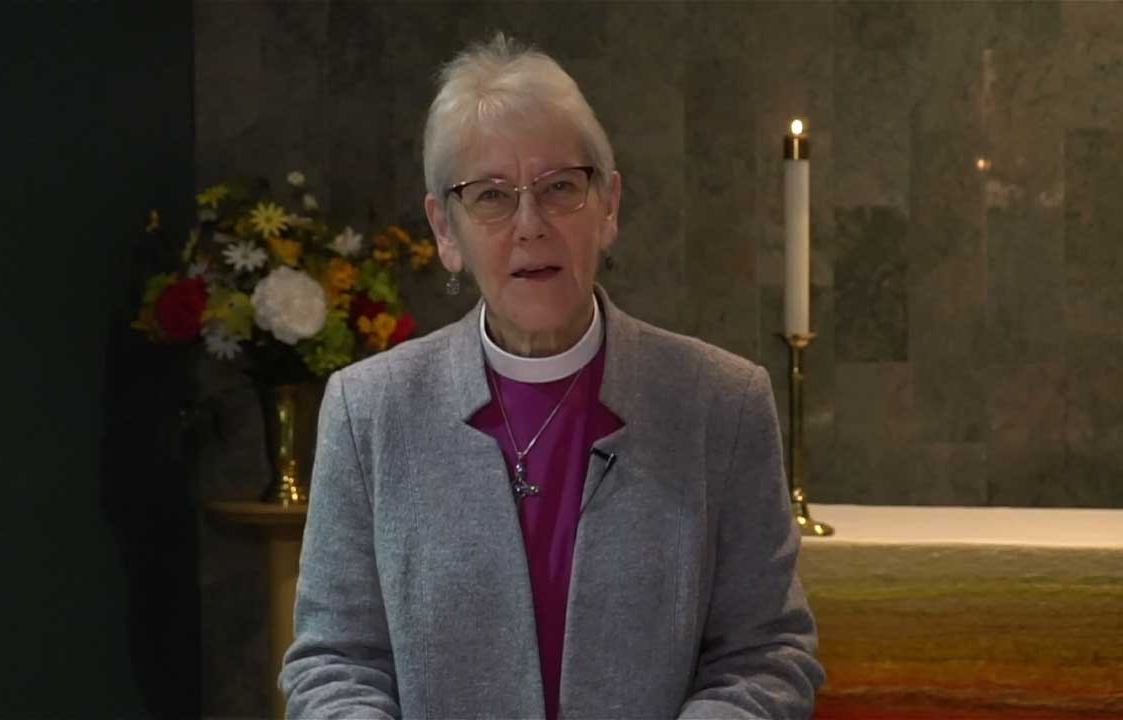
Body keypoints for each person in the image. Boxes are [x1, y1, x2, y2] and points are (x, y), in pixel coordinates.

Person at [280, 33, 824, 720]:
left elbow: (766, 655)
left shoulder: (721, 404)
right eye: (491, 197)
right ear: (445, 230)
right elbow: (335, 663)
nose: (530, 225)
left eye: (561, 188)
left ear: (609, 205)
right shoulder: (369, 412)